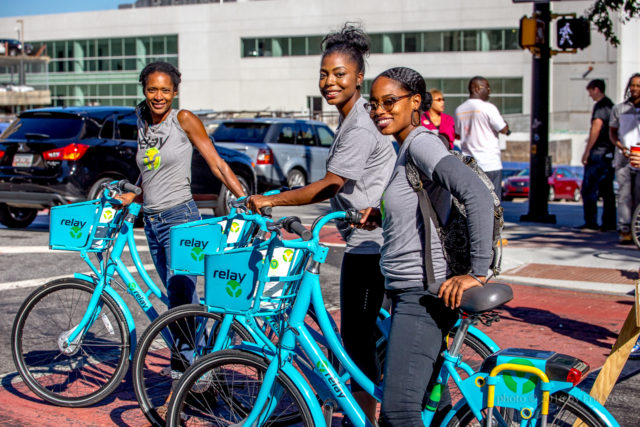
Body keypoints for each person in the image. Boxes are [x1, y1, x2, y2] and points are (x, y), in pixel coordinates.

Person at [246, 24, 396, 424]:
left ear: (359, 78)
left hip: (373, 245)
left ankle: (361, 418)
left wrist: (272, 199)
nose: (329, 82)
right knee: (363, 337)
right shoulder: (352, 119)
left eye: (340, 74)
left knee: (357, 343)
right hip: (367, 241)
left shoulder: (360, 125)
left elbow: (329, 185)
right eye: (324, 74)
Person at [366, 67, 494, 426]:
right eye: (373, 104)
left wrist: (477, 273)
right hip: (411, 292)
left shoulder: (421, 143)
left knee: (399, 413)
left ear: (416, 102)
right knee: (428, 406)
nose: (379, 111)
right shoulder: (406, 148)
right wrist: (379, 213)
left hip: (422, 297)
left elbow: (476, 193)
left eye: (389, 101)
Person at [118, 61, 246, 326]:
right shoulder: (143, 122)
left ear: (174, 92)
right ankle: (199, 360)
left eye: (165, 90)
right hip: (152, 221)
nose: (158, 97)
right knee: (177, 296)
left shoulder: (183, 119)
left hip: (180, 219)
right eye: (152, 90)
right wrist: (136, 195)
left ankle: (185, 364)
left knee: (181, 298)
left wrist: (243, 198)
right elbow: (149, 168)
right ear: (144, 90)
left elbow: (218, 164)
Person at [454, 76, 510, 199]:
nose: (489, 91)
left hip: (469, 164)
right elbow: (503, 129)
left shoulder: (459, 110)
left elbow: (457, 133)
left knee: (473, 200)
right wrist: (506, 126)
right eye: (487, 87)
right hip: (489, 163)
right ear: (477, 89)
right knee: (493, 202)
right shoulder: (488, 108)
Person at [577, 79, 616, 231]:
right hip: (608, 153)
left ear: (597, 89)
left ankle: (590, 222)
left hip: (598, 153)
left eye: (590, 91)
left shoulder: (601, 106)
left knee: (588, 188)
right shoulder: (611, 105)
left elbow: (596, 128)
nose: (590, 95)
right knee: (607, 190)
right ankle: (609, 223)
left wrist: (587, 151)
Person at [609, 73, 640, 244]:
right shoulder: (619, 109)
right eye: (632, 85)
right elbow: (612, 132)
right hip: (623, 157)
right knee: (624, 195)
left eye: (638, 86)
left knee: (638, 194)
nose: (635, 89)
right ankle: (625, 229)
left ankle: (637, 229)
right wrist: (620, 146)